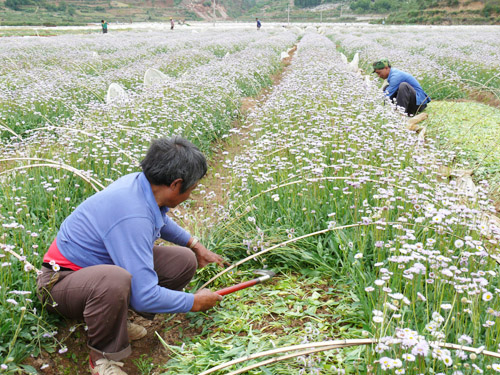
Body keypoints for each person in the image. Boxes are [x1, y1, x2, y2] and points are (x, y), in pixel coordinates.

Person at [36, 137, 227, 375]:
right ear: (176, 184)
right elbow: (145, 295)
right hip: (60, 283)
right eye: (192, 189)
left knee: (183, 260)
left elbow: (162, 220)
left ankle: (117, 320)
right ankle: (103, 358)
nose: (191, 194)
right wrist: (193, 302)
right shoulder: (131, 214)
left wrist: (195, 245)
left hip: (97, 272)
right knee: (114, 280)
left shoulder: (142, 186)